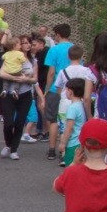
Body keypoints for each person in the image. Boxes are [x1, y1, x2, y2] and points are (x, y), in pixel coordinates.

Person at [0, 35, 37, 160]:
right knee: (8, 123)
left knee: (19, 122)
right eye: (23, 43)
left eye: (28, 43)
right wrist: (16, 78)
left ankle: (14, 150)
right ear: (17, 45)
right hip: (9, 93)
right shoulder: (10, 57)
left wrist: (26, 79)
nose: (27, 45)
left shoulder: (33, 61)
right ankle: (8, 144)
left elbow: (35, 79)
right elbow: (1, 73)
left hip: (25, 94)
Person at [44, 24, 74, 160]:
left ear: (58, 34)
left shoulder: (54, 49)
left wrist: (47, 89)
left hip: (56, 88)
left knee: (53, 120)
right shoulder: (74, 48)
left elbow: (51, 72)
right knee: (69, 120)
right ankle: (66, 150)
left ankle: (52, 149)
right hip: (73, 89)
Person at [57, 78, 87, 167]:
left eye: (66, 89)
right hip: (81, 141)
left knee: (71, 167)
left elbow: (69, 127)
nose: (65, 92)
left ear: (70, 91)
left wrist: (63, 143)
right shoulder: (82, 105)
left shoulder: (72, 108)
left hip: (73, 143)